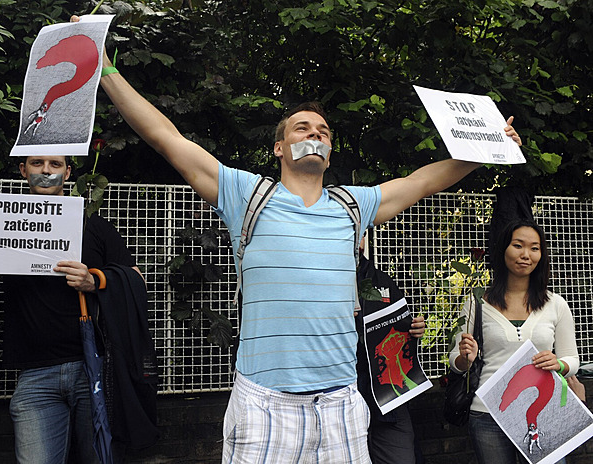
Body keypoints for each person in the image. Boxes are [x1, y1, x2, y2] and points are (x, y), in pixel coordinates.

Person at [82, 14, 522, 462]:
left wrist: (490, 150)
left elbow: (423, 182)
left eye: (324, 132)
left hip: (342, 407)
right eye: (302, 129)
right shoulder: (246, 193)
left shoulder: (354, 204)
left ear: (330, 153)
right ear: (279, 148)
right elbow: (164, 137)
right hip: (263, 404)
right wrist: (106, 69)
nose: (315, 135)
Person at [0, 155, 141, 463]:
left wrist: (94, 279)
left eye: (55, 165)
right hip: (35, 375)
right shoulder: (2, 225)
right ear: (23, 170)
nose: (46, 171)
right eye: (37, 163)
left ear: (68, 172)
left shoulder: (94, 226)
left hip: (95, 368)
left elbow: (136, 281)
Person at [450, 219, 579, 464]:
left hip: (542, 412)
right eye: (518, 245)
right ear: (503, 250)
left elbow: (572, 360)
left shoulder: (556, 304)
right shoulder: (477, 302)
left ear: (541, 254)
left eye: (534, 248)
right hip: (488, 413)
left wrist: (559, 364)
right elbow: (456, 363)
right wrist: (465, 358)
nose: (526, 255)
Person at [355, 244, 426, 464]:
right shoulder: (318, 280)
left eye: (362, 231)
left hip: (389, 399)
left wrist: (415, 331)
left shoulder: (382, 282)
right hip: (340, 399)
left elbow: (402, 332)